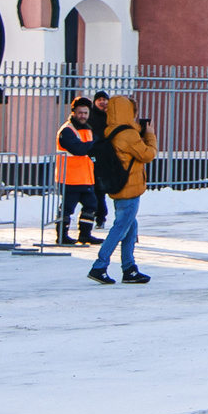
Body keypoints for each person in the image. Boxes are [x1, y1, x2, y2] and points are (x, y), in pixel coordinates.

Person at [89, 95, 157, 285]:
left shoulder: (111, 131)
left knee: (130, 227)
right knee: (120, 228)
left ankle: (129, 268)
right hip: (130, 187)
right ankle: (99, 266)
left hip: (118, 185)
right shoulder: (128, 134)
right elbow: (147, 154)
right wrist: (150, 135)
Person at [56, 97, 106, 245]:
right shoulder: (67, 130)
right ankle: (62, 236)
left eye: (85, 112)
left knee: (91, 206)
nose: (83, 116)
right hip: (69, 178)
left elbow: (93, 149)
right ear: (74, 113)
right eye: (80, 113)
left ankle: (85, 235)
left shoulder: (88, 130)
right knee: (67, 208)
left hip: (86, 177)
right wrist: (95, 143)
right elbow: (78, 149)